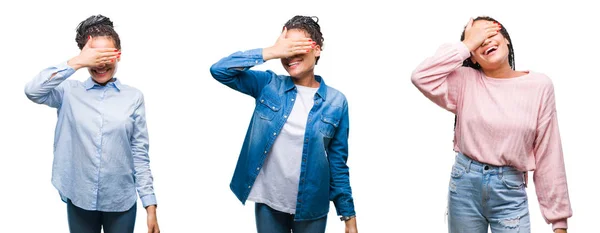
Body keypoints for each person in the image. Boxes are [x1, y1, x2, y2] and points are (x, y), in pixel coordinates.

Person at [411, 16, 572, 233]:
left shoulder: (539, 86)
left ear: (506, 40)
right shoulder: (465, 81)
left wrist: (558, 221)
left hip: (510, 191)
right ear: (473, 58)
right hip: (464, 186)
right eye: (478, 41)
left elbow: (549, 153)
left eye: (490, 34)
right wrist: (465, 45)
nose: (485, 41)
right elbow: (421, 76)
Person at [210, 15, 358, 233]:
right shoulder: (268, 85)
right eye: (286, 47)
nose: (290, 55)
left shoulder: (337, 102)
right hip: (269, 202)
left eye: (297, 46)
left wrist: (349, 215)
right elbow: (219, 70)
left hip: (312, 206)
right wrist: (270, 52)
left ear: (316, 50)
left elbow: (337, 163)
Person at [24, 15, 160, 233]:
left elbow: (139, 153)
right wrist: (77, 62)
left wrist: (150, 204)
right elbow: (33, 91)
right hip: (80, 197)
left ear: (118, 56)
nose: (101, 63)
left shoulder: (133, 97)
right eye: (94, 55)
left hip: (121, 200)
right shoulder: (68, 92)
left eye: (107, 55)